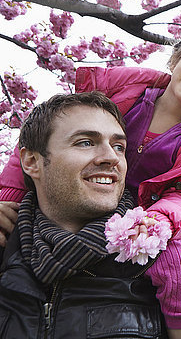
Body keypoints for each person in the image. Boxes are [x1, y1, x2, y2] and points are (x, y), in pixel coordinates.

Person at [0, 28, 181, 337]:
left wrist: (160, 222)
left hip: (155, 221)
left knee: (179, 264)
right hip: (95, 204)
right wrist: (9, 195)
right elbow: (41, 137)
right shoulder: (125, 94)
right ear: (176, 59)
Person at [0, 92, 169, 338]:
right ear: (32, 161)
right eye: (86, 142)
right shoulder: (6, 253)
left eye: (119, 146)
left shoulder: (164, 259)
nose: (111, 157)